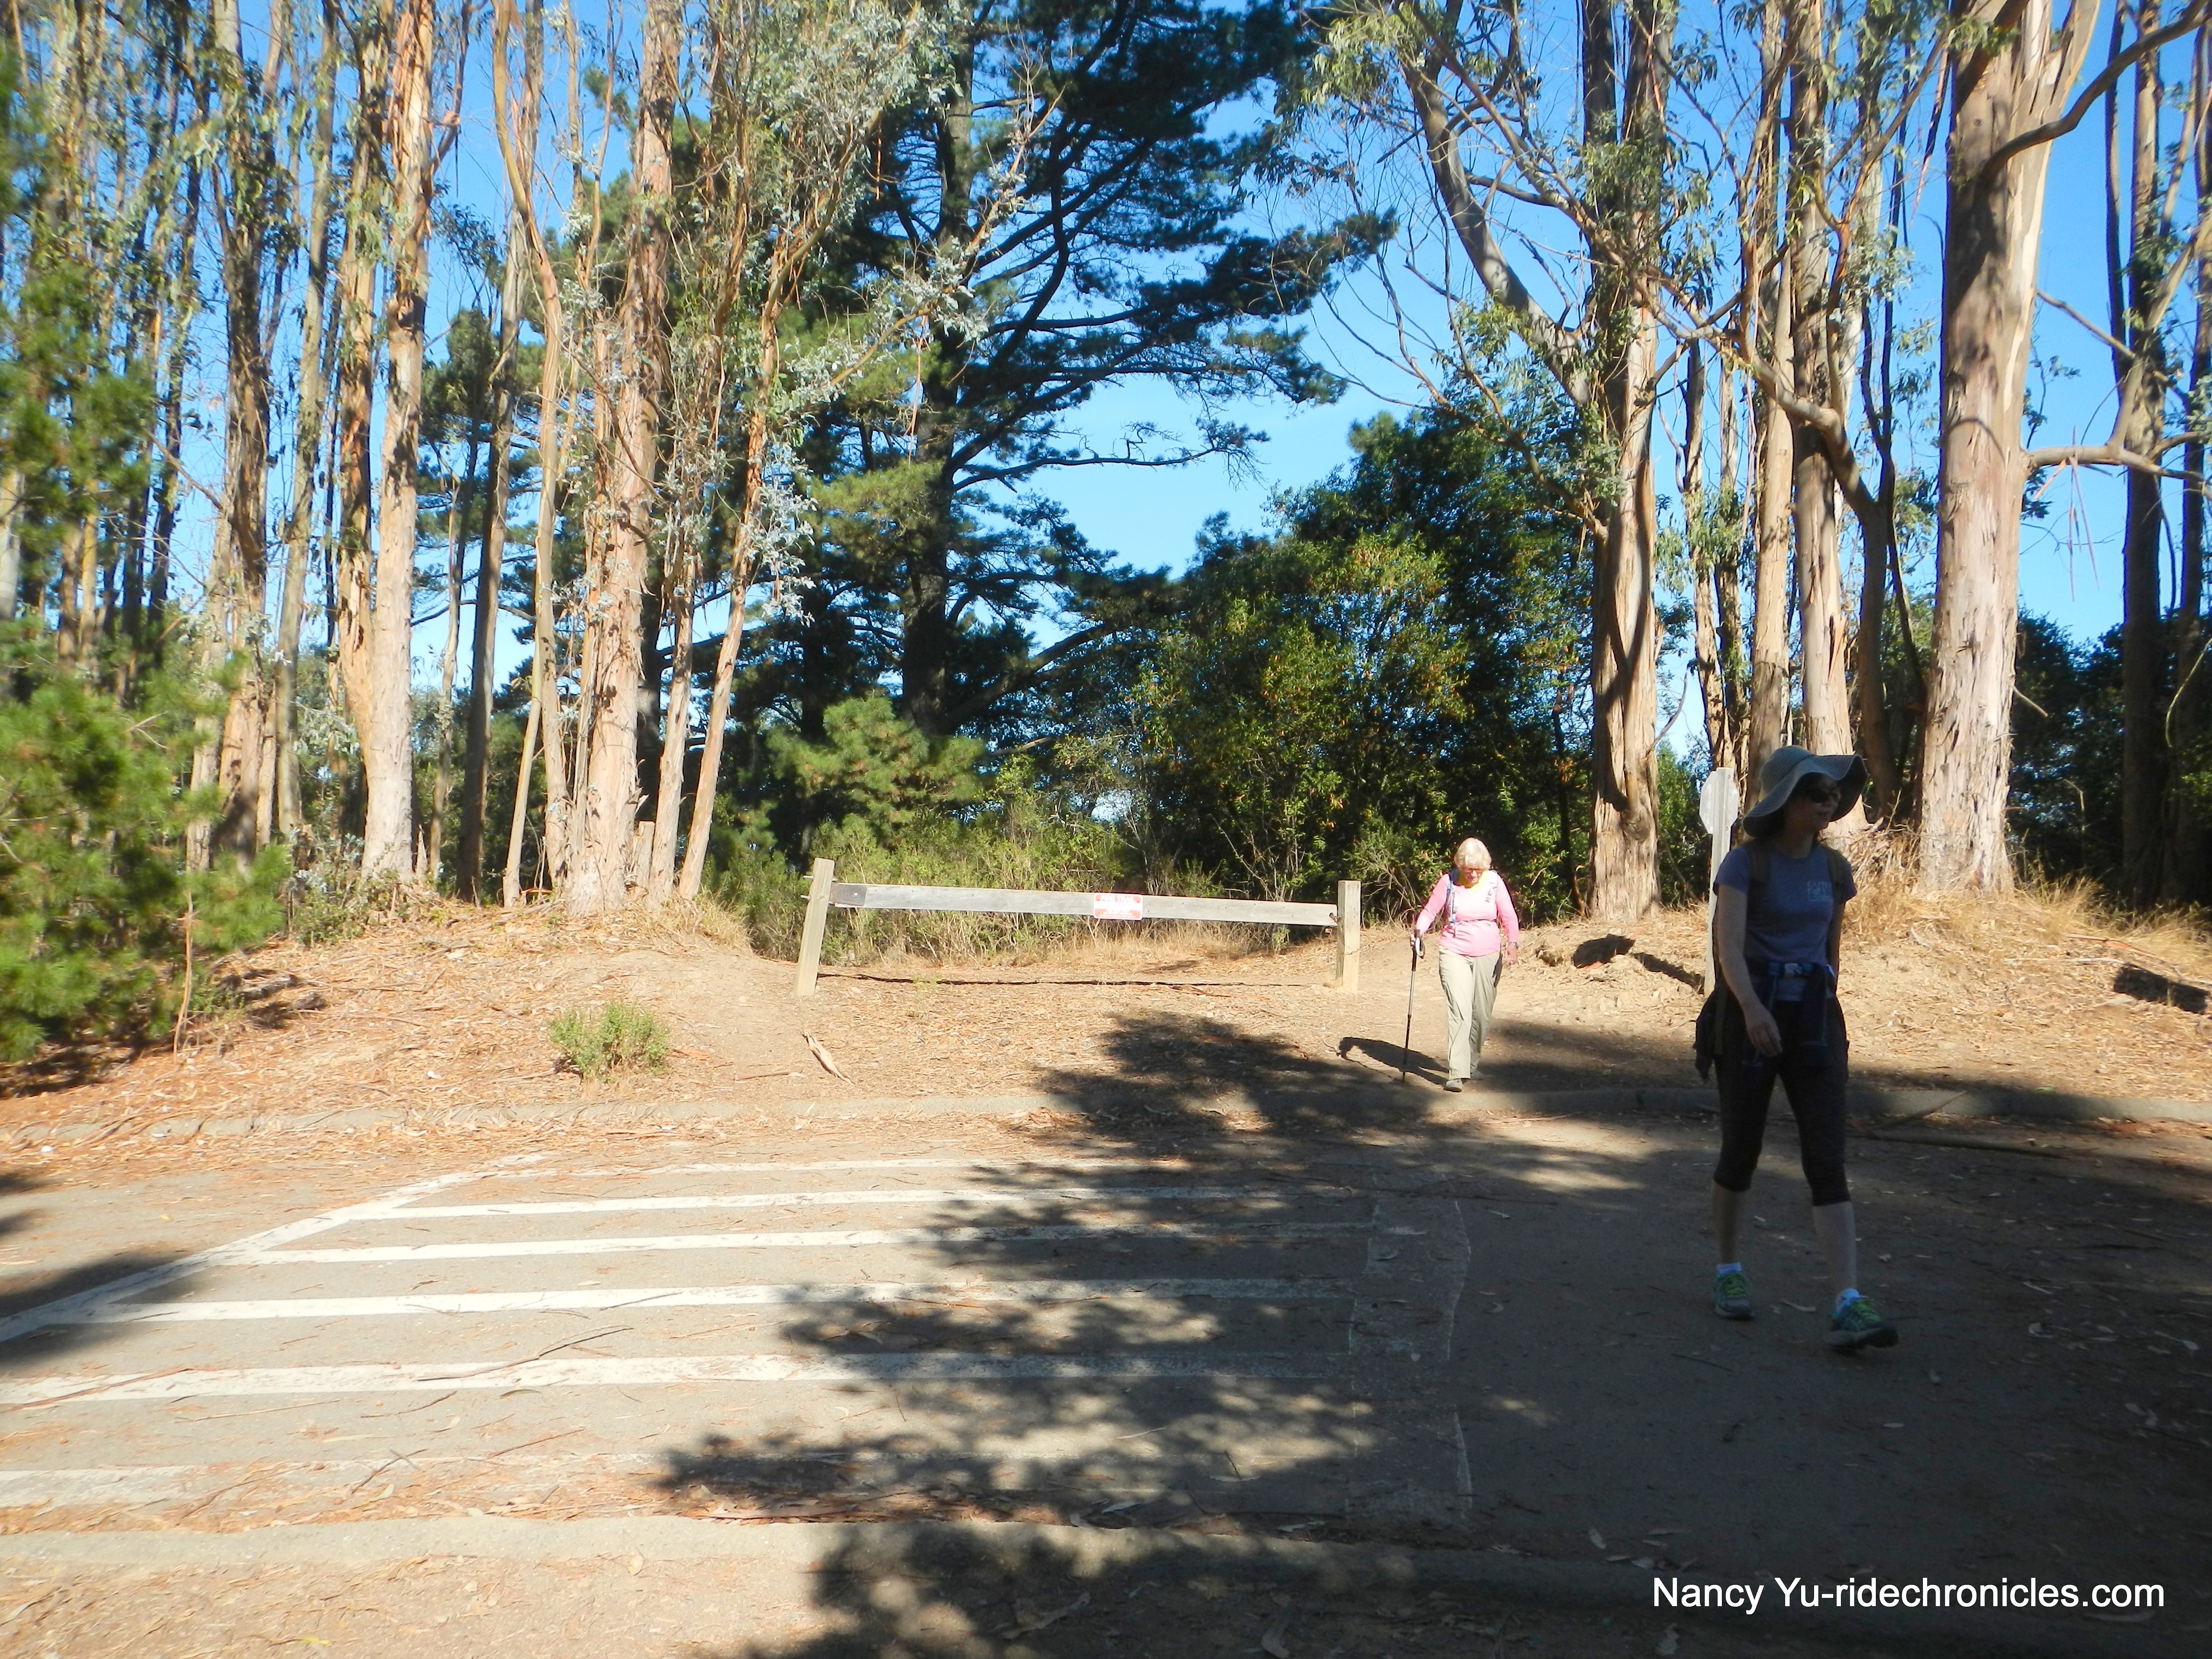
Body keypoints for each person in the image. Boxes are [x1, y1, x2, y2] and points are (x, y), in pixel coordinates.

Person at [1708, 745, 1896, 1353]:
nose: (1829, 801)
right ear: (1787, 801)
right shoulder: (1745, 863)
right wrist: (1753, 1010)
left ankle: (1848, 1301)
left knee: (1827, 1156)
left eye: (1833, 793)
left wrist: (1824, 1000)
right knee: (1742, 1149)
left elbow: (1830, 949)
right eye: (1817, 792)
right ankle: (1729, 1270)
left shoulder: (1835, 870)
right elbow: (1728, 948)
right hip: (1750, 1013)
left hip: (1813, 1019)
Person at [1409, 838, 1520, 1092]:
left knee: (1481, 1013)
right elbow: (1430, 912)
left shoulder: (1494, 882)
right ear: (1459, 865)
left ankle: (1471, 1063)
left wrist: (1512, 943)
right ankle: (1457, 1072)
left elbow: (1508, 915)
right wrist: (1419, 931)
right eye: (1468, 869)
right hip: (1454, 951)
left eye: (1478, 870)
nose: (1473, 874)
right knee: (1460, 1011)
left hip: (1488, 953)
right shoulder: (1448, 882)